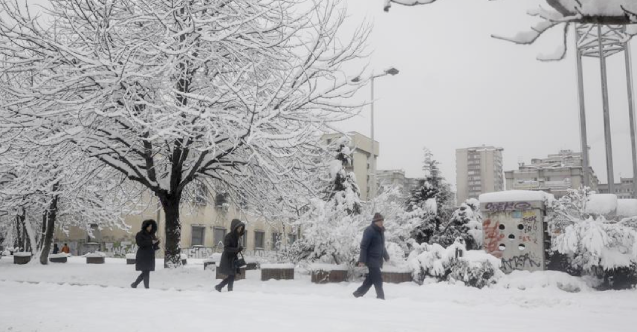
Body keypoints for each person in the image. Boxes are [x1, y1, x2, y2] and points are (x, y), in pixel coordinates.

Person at [353, 213, 390, 300]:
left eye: (382, 221)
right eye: (379, 221)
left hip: (378, 259)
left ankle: (357, 294)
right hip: (371, 259)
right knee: (378, 279)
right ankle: (381, 298)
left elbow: (382, 246)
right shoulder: (369, 230)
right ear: (375, 222)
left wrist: (386, 256)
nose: (381, 222)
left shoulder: (380, 231)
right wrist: (362, 260)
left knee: (370, 280)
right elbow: (364, 246)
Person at [215, 219, 245, 292]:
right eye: (239, 228)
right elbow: (226, 248)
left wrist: (238, 249)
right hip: (228, 258)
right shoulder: (229, 236)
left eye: (241, 228)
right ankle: (225, 289)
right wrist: (237, 249)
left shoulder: (236, 236)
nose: (240, 229)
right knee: (232, 275)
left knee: (232, 275)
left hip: (232, 258)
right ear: (235, 227)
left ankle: (221, 287)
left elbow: (234, 248)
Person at [131, 219, 160, 289]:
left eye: (151, 226)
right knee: (146, 271)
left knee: (146, 271)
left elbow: (153, 245)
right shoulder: (140, 234)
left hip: (150, 256)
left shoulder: (152, 234)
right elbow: (140, 243)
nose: (150, 228)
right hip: (143, 255)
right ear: (145, 226)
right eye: (149, 226)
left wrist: (157, 242)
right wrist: (151, 242)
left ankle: (135, 284)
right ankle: (146, 287)